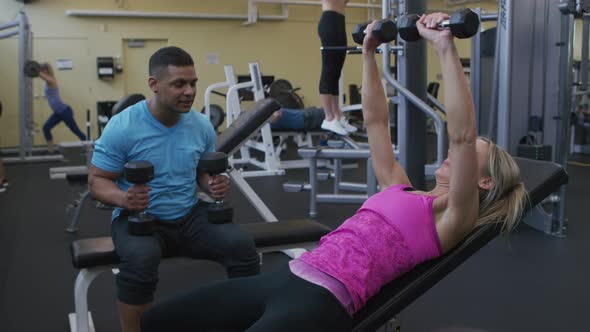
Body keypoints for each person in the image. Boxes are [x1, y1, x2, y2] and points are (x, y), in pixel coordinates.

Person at [140, 15, 528, 332]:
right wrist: (368, 54)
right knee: (158, 320)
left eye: (466, 158)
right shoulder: (399, 186)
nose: (450, 155)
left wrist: (444, 46)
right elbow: (376, 122)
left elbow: (462, 135)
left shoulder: (453, 217)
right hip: (288, 276)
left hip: (322, 301)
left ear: (484, 181)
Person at [88, 46, 260, 332]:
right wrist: (125, 198)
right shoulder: (123, 126)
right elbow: (97, 181)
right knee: (141, 260)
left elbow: (200, 172)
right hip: (140, 219)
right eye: (179, 84)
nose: (189, 91)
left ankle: (245, 323)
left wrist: (212, 183)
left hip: (189, 214)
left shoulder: (201, 125)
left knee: (241, 245)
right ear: (154, 85)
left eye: (193, 83)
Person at [318, 0, 357, 135]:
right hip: (329, 21)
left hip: (339, 22)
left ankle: (337, 116)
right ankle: (328, 118)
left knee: (336, 72)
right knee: (328, 70)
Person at [38, 64, 87, 152]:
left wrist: (37, 71)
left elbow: (43, 77)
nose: (42, 71)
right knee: (46, 128)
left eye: (43, 70)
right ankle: (51, 149)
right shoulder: (47, 81)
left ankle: (90, 146)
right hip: (58, 113)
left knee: (75, 130)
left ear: (47, 71)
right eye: (41, 70)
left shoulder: (51, 80)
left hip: (64, 111)